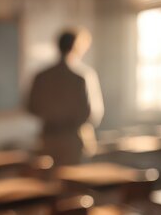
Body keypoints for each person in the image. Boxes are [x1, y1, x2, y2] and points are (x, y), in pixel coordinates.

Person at [27, 28, 104, 165]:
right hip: (73, 139)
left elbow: (30, 107)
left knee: (51, 181)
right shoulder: (82, 76)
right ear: (77, 46)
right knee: (73, 182)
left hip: (49, 138)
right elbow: (93, 113)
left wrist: (52, 115)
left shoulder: (42, 76)